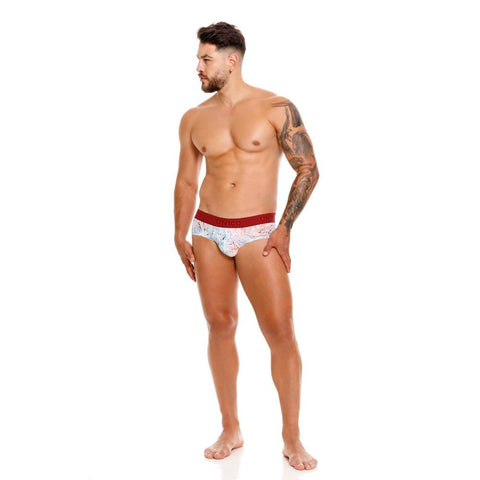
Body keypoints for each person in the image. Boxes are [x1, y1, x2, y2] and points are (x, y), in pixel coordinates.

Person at [174, 21, 319, 471]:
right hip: (208, 229)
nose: (198, 67)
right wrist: (179, 233)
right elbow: (186, 180)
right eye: (199, 58)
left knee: (280, 332)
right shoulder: (194, 117)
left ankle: (291, 437)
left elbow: (308, 168)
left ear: (231, 61)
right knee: (220, 325)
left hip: (259, 231)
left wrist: (284, 228)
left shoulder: (276, 107)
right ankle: (230, 427)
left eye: (206, 59)